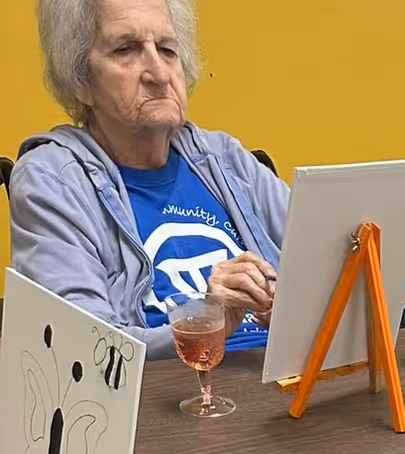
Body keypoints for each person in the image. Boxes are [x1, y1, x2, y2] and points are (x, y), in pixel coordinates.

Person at [9, 0, 284, 358]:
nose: (159, 73)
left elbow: (328, 262)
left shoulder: (224, 156)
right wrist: (203, 321)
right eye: (126, 50)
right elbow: (84, 348)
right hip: (166, 395)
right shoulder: (53, 180)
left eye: (168, 50)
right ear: (80, 81)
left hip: (282, 377)